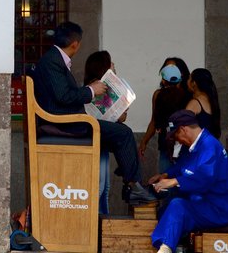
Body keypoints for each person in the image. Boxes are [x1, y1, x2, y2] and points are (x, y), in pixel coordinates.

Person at [30, 22, 156, 205]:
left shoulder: (53, 60)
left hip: (67, 119)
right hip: (64, 123)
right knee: (124, 133)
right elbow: (64, 96)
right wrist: (91, 90)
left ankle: (132, 184)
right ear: (75, 44)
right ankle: (133, 186)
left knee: (119, 132)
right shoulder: (53, 62)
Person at [147, 110, 228, 253]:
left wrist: (173, 182)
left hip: (218, 209)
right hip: (205, 205)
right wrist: (164, 175)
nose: (177, 140)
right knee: (166, 208)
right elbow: (183, 166)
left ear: (183, 129)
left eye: (176, 135)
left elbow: (204, 178)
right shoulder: (198, 146)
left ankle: (165, 249)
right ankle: (164, 246)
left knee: (178, 206)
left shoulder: (209, 146)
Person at [82, 50, 126, 215]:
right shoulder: (96, 89)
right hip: (95, 141)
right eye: (110, 63)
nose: (114, 65)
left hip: (103, 142)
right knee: (99, 186)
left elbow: (122, 117)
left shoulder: (101, 87)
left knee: (104, 187)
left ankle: (103, 226)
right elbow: (121, 117)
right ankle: (94, 227)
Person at [139, 57, 191, 173]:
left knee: (180, 182)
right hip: (165, 145)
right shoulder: (158, 95)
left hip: (185, 145)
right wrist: (144, 141)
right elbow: (154, 120)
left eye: (173, 68)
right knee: (165, 181)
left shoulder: (189, 95)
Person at [185, 67, 222, 139]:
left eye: (189, 78)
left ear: (194, 83)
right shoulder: (212, 100)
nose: (187, 81)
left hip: (198, 146)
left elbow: (185, 127)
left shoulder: (194, 103)